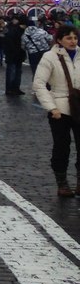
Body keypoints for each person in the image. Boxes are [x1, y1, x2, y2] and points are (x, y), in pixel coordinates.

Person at [32, 23, 80, 197]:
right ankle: (62, 183)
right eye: (68, 38)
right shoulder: (49, 57)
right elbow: (39, 84)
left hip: (79, 107)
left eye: (75, 37)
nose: (73, 41)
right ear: (59, 39)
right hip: (59, 109)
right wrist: (51, 107)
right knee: (62, 147)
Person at [3, 17, 27, 95]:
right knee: (12, 72)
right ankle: (10, 89)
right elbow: (9, 43)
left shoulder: (18, 30)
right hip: (12, 55)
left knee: (17, 72)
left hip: (18, 55)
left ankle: (16, 88)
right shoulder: (12, 30)